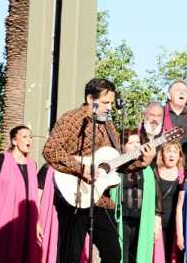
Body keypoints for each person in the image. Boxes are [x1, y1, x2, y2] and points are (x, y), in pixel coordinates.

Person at [42, 78, 155, 263]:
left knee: (113, 254)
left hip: (101, 199)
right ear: (89, 99)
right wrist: (82, 169)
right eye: (105, 102)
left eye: (111, 102)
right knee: (70, 255)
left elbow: (117, 164)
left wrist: (143, 161)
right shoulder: (72, 119)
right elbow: (50, 150)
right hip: (74, 196)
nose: (109, 107)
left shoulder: (109, 127)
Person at [0, 125, 40, 263]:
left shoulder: (32, 165)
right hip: (2, 218)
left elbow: (34, 195)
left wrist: (38, 222)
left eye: (30, 137)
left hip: (27, 221)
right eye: (24, 136)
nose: (29, 140)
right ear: (14, 141)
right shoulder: (2, 160)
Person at [117, 129, 157, 263]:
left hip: (140, 218)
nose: (135, 145)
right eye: (130, 142)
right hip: (122, 219)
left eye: (138, 142)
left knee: (137, 255)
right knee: (121, 254)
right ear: (122, 146)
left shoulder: (147, 169)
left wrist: (156, 221)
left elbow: (156, 197)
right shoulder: (117, 168)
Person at [154, 141, 186, 263]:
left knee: (170, 255)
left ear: (179, 156)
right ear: (162, 154)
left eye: (174, 152)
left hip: (174, 223)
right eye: (168, 151)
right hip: (156, 221)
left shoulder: (182, 176)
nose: (171, 155)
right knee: (156, 255)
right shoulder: (155, 172)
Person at [163, 81, 187, 148]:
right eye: (178, 90)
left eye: (185, 90)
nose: (182, 92)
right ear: (169, 95)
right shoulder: (159, 113)